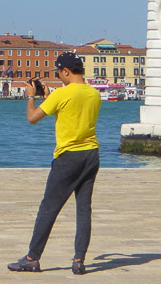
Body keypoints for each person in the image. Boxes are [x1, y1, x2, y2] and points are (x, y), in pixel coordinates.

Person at [8, 53, 101, 276]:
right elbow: (72, 110)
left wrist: (30, 96)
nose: (58, 76)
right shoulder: (94, 93)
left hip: (68, 157)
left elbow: (33, 118)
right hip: (91, 154)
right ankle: (79, 260)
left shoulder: (61, 94)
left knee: (48, 209)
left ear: (66, 71)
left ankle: (32, 258)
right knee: (83, 209)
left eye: (59, 72)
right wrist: (49, 96)